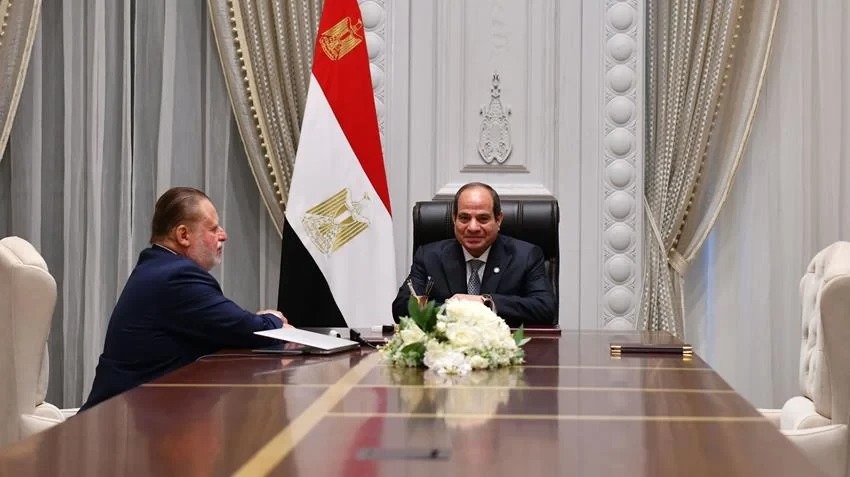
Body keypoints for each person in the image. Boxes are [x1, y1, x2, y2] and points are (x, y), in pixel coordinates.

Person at [81, 187, 286, 411]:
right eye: (213, 229)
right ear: (183, 235)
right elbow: (250, 330)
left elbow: (229, 327)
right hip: (117, 423)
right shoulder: (176, 277)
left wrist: (256, 322)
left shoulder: (159, 266)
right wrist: (274, 320)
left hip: (134, 414)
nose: (223, 235)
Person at [391, 182, 557, 326]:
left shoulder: (526, 256)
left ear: (498, 220)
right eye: (464, 218)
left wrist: (486, 302)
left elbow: (545, 308)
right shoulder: (429, 256)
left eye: (483, 218)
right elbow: (402, 307)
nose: (473, 227)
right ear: (454, 219)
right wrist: (456, 309)